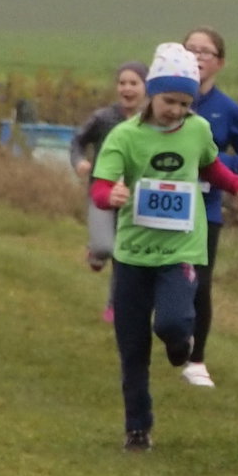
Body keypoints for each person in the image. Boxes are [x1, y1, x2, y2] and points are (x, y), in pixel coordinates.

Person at [90, 44, 238, 449]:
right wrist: (109, 196)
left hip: (181, 249)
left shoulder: (197, 130)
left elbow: (211, 166)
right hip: (133, 254)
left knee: (172, 323)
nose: (177, 111)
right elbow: (100, 185)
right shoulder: (124, 136)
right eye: (170, 101)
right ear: (152, 93)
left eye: (185, 103)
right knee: (133, 349)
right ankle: (137, 427)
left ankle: (182, 344)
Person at [180, 27, 238, 391]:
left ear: (220, 62)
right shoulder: (163, 101)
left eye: (205, 51)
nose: (197, 57)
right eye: (191, 49)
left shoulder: (228, 110)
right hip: (159, 208)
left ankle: (196, 360)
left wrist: (219, 163)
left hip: (206, 207)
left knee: (201, 282)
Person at [73, 62, 149, 310]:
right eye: (122, 83)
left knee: (123, 252)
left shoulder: (151, 121)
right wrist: (79, 161)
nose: (127, 88)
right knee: (105, 247)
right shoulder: (103, 118)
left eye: (133, 83)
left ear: (146, 87)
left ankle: (114, 306)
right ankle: (95, 251)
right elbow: (78, 141)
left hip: (133, 196)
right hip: (101, 191)